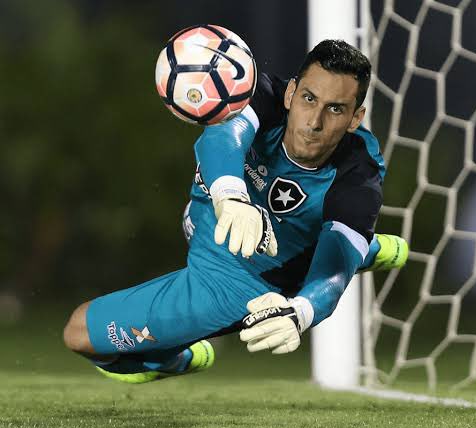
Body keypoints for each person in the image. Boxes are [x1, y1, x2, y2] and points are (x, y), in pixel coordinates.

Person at [62, 39, 407, 383]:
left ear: (354, 118)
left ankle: (172, 358)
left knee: (79, 333)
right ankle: (368, 247)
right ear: (291, 94)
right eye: (308, 98)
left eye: (335, 109)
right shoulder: (264, 94)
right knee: (332, 237)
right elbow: (222, 136)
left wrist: (300, 312)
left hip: (241, 277)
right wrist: (232, 199)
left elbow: (331, 278)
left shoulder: (357, 178)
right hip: (211, 215)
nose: (314, 121)